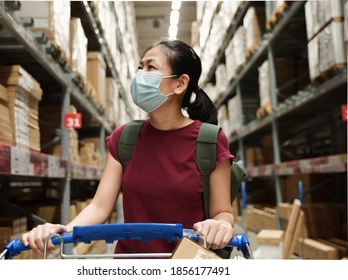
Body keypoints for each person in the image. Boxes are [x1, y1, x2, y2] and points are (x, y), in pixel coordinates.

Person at [21, 39, 235, 256]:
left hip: (188, 266)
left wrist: (220, 225)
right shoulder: (124, 138)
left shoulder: (210, 141)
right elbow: (99, 207)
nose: (140, 75)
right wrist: (60, 231)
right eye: (140, 68)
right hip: (130, 264)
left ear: (180, 83)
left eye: (151, 68)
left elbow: (222, 212)